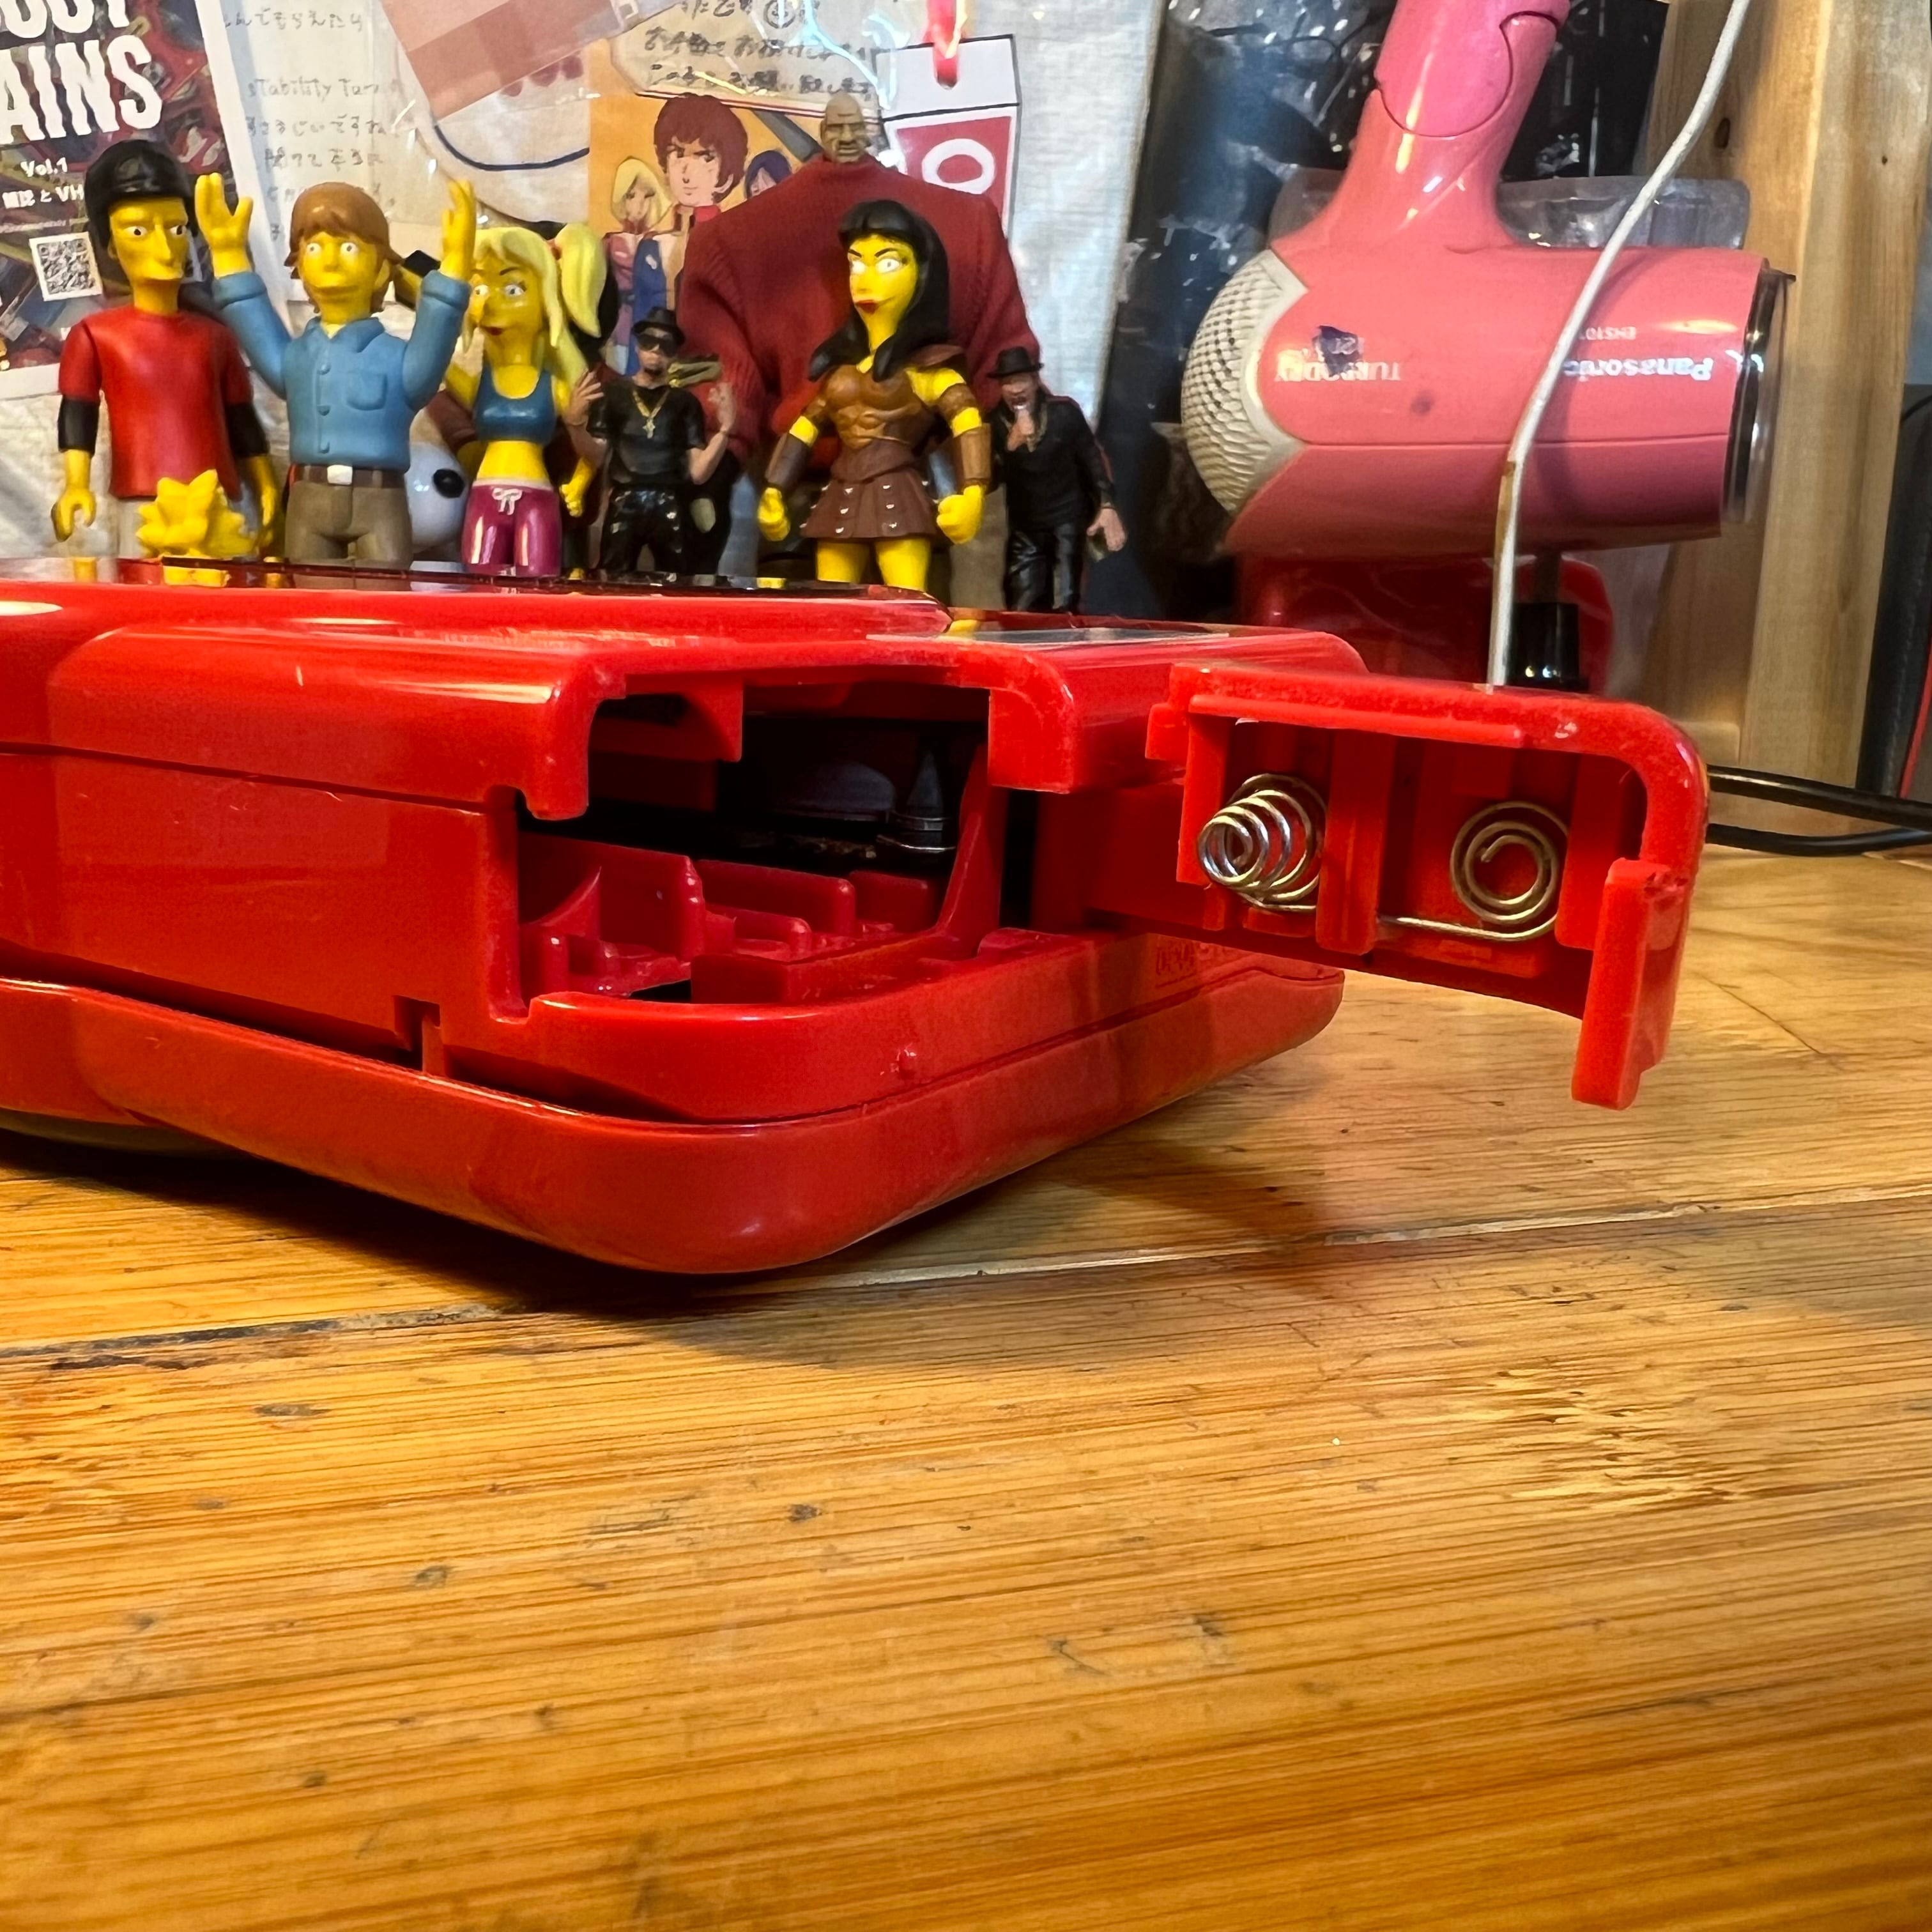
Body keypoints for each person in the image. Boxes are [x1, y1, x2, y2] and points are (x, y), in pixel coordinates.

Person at [677, 89, 1036, 462]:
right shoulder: (724, 243)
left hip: (930, 476)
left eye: (853, 127)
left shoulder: (969, 224)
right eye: (837, 128)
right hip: (802, 479)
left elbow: (1006, 385)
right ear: (822, 131)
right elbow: (721, 404)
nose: (847, 138)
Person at [198, 171, 476, 566]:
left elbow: (434, 344)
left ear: (382, 269)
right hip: (309, 498)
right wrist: (228, 256)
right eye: (314, 248)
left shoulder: (397, 359)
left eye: (348, 248)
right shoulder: (297, 358)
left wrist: (454, 272)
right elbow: (254, 324)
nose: (329, 261)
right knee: (313, 596)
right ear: (299, 266)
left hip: (380, 499)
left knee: (383, 594)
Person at [54, 140, 277, 557]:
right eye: (139, 230)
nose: (164, 247)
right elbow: (78, 412)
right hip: (142, 502)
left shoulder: (215, 337)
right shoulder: (95, 335)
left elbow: (241, 419)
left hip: (216, 502)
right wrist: (75, 484)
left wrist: (266, 485)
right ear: (111, 245)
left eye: (176, 228)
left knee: (222, 592)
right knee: (145, 592)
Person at [758, 201, 990, 594]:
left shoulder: (929, 369)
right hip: (841, 491)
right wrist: (775, 488)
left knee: (907, 601)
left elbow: (966, 420)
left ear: (923, 273)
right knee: (830, 602)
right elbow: (804, 428)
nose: (864, 281)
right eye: (856, 264)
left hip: (896, 491)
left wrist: (973, 493)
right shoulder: (841, 371)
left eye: (888, 263)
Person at [441, 226, 596, 577]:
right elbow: (436, 359)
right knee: (480, 581)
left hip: (536, 497)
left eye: (513, 289)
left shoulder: (555, 386)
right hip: (485, 495)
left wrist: (578, 482)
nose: (488, 303)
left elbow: (594, 454)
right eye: (479, 289)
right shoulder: (478, 383)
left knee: (537, 583)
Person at [579, 306, 734, 577]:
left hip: (670, 501)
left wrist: (725, 430)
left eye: (666, 345)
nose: (656, 350)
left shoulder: (684, 403)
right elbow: (596, 454)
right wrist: (574, 424)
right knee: (612, 577)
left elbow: (698, 472)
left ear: (674, 354)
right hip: (625, 499)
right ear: (638, 346)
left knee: (677, 579)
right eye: (649, 342)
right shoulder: (614, 394)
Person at [988, 347, 1126, 613]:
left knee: (1064, 602)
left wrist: (1107, 504)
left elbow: (1092, 461)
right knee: (1021, 605)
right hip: (1026, 529)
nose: (1016, 389)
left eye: (1021, 380)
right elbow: (989, 479)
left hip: (1066, 522)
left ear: (1035, 381)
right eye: (1008, 382)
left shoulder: (1064, 413)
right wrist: (1009, 448)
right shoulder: (995, 423)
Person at [651, 93, 749, 301]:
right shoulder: (652, 247)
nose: (687, 172)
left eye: (705, 158)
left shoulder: (736, 247)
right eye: (678, 154)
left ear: (727, 171)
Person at [604, 156, 669, 375]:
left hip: (650, 325)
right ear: (622, 198)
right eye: (632, 196)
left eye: (647, 196)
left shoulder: (660, 242)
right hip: (618, 329)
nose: (639, 205)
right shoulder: (610, 242)